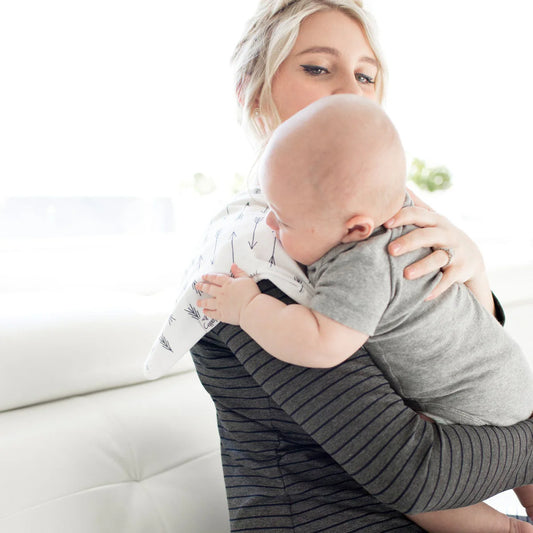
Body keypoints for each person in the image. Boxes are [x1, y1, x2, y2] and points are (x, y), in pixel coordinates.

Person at [148, 1, 533, 530]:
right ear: (253, 93)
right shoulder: (253, 257)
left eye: (365, 76)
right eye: (317, 68)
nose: (351, 92)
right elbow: (414, 473)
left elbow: (464, 361)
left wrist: (475, 272)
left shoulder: (376, 222)